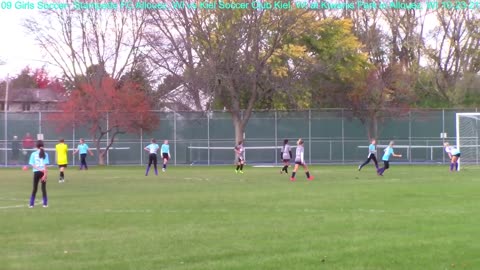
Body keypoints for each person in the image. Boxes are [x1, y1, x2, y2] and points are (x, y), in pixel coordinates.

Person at [28, 140, 49, 208]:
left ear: (36, 146)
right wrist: (45, 174)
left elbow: (32, 164)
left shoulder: (33, 154)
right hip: (43, 172)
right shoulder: (45, 154)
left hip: (36, 172)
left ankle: (31, 204)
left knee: (35, 188)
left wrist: (39, 169)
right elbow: (45, 166)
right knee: (43, 188)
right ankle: (45, 204)